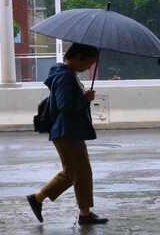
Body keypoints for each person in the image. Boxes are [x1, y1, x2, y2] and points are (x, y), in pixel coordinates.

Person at [27, 43, 109, 225]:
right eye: (87, 64)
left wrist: (82, 98)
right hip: (66, 131)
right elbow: (65, 106)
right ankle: (38, 198)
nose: (88, 68)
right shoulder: (64, 77)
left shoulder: (65, 74)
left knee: (82, 173)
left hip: (71, 131)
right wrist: (84, 99)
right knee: (72, 173)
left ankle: (85, 213)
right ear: (78, 57)